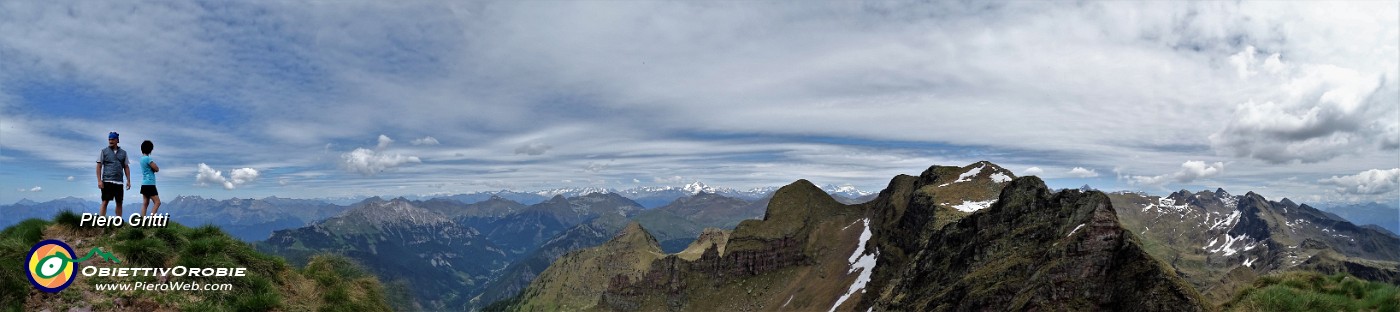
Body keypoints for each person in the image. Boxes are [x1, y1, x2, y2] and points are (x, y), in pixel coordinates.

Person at [97, 131, 131, 216]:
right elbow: (99, 166)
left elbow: (126, 167)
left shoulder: (123, 153)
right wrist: (99, 181)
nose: (110, 141)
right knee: (105, 202)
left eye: (112, 139)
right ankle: (101, 223)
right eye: (109, 139)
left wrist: (128, 180)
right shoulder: (103, 151)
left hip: (119, 182)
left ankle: (118, 222)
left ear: (117, 140)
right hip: (107, 181)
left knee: (119, 203)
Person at [139, 140, 161, 215]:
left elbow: (150, 168)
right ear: (150, 149)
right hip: (150, 184)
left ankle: (143, 221)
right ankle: (151, 220)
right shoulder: (148, 159)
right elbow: (157, 169)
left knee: (145, 203)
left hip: (144, 184)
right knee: (157, 202)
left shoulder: (141, 159)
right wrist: (154, 169)